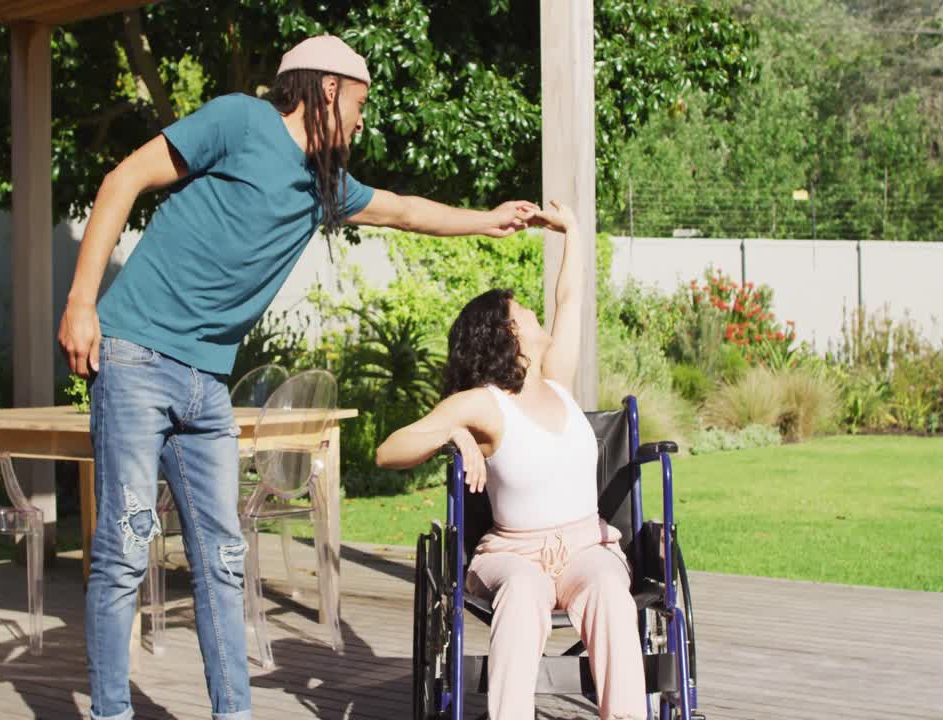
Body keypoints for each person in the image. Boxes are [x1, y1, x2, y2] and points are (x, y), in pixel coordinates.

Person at [57, 34, 540, 720]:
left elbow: (404, 210)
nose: (363, 121)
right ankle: (110, 712)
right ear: (329, 90)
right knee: (126, 549)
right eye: (361, 105)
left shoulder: (324, 188)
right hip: (136, 354)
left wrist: (489, 221)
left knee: (223, 560)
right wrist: (81, 302)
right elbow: (122, 180)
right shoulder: (239, 120)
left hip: (204, 383)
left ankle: (234, 713)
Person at [376, 201, 645, 720]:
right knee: (522, 594)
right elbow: (390, 450)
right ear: (506, 334)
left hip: (587, 546)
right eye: (520, 309)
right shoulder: (485, 402)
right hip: (515, 557)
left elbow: (570, 299)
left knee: (611, 591)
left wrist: (573, 232)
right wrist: (453, 430)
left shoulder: (557, 382)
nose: (533, 310)